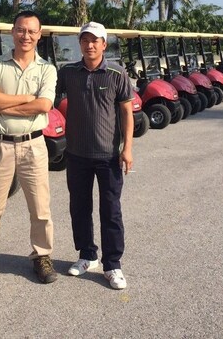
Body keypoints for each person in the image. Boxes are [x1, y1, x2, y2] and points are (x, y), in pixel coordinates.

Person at [0, 10, 58, 287]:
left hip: (34, 145)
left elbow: (44, 105)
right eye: (20, 29)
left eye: (31, 31)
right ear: (12, 32)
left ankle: (42, 256)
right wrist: (26, 100)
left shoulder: (47, 69)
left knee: (40, 208)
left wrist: (6, 105)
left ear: (39, 35)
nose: (25, 35)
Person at [56, 21, 134, 290]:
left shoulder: (116, 73)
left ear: (104, 44)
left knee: (111, 210)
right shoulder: (68, 73)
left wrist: (128, 148)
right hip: (76, 154)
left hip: (108, 155)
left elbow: (126, 112)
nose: (89, 45)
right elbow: (48, 97)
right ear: (79, 44)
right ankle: (87, 256)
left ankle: (112, 264)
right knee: (79, 208)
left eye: (95, 40)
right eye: (85, 40)